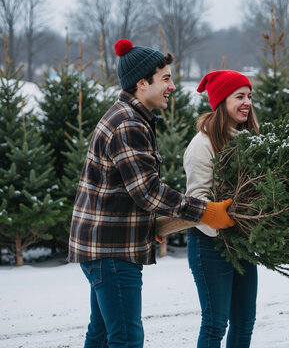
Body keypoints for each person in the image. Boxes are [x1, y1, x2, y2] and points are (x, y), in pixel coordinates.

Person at [68, 39, 235, 348]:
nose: (172, 85)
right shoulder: (128, 123)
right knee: (127, 339)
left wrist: (150, 227)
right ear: (142, 84)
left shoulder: (130, 117)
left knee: (103, 333)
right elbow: (148, 192)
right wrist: (207, 211)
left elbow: (129, 189)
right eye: (166, 79)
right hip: (112, 251)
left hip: (105, 245)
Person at [185, 70, 260, 347]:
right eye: (239, 96)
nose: (247, 102)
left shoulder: (249, 140)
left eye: (249, 96)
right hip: (209, 245)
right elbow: (196, 200)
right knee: (216, 324)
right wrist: (222, 221)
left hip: (242, 244)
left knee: (245, 322)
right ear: (221, 102)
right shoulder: (202, 145)